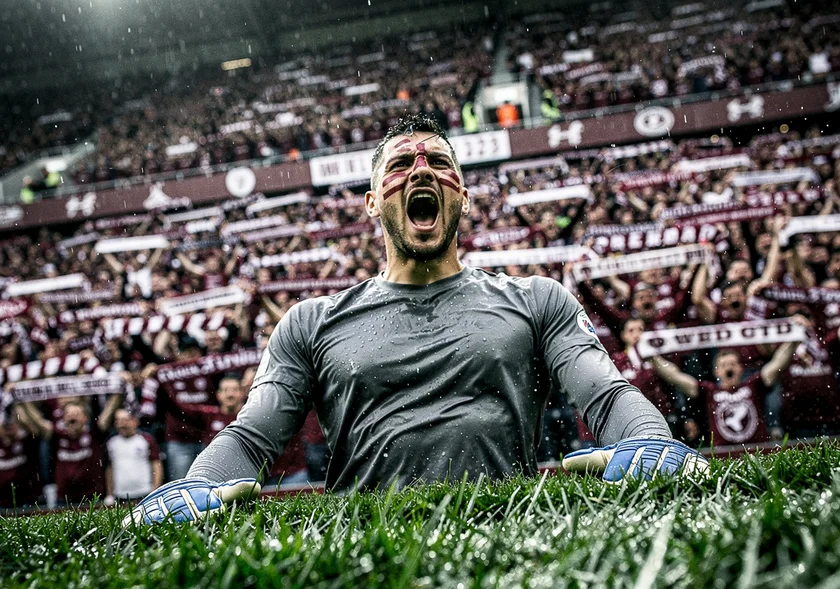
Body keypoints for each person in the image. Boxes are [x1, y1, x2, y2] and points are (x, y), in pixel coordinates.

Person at [127, 115, 708, 525]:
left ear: (465, 197)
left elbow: (606, 394)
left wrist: (649, 441)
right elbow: (252, 436)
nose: (421, 171)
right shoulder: (308, 323)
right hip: (364, 556)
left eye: (439, 163)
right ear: (372, 202)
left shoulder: (538, 299)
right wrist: (198, 486)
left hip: (509, 539)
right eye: (401, 164)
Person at [647, 316, 809, 447]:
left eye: (732, 364)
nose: (729, 368)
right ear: (716, 371)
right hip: (723, 457)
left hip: (758, 452)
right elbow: (676, 377)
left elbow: (777, 364)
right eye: (724, 365)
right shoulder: (708, 391)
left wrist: (794, 338)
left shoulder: (754, 384)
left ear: (741, 368)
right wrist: (652, 357)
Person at [16, 395, 122, 505]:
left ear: (86, 418)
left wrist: (118, 392)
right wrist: (23, 399)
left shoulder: (95, 434)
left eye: (76, 414)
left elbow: (109, 412)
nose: (72, 416)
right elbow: (37, 421)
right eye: (68, 414)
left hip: (93, 497)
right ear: (63, 418)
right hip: (64, 499)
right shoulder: (57, 436)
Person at [104, 409, 163, 504]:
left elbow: (156, 465)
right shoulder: (111, 443)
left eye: (125, 420)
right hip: (120, 495)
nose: (121, 424)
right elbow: (109, 468)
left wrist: (155, 490)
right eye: (118, 420)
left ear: (135, 421)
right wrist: (110, 494)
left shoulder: (146, 440)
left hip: (144, 493)